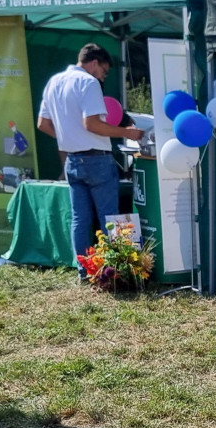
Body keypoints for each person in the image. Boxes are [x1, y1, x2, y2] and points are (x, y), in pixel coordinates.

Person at [37, 43, 144, 279]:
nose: (104, 77)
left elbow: (43, 124)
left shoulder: (54, 82)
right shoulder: (89, 82)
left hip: (71, 160)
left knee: (80, 219)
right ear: (94, 63)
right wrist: (128, 132)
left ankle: (83, 272)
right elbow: (92, 124)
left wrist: (69, 137)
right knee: (110, 217)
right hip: (97, 159)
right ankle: (116, 271)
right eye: (104, 71)